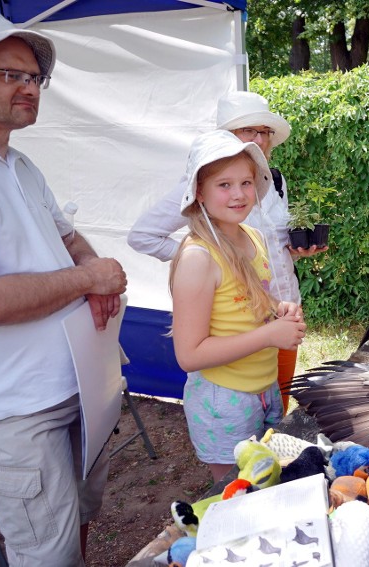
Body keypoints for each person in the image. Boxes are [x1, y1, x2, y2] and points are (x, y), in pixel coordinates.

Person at [0, 8, 127, 565]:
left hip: (79, 381)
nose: (29, 89)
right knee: (46, 554)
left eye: (35, 78)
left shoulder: (18, 163)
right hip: (18, 409)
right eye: (11, 75)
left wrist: (93, 274)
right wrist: (90, 278)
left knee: (81, 522)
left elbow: (67, 235)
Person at [128, 91, 323, 414]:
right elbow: (144, 235)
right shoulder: (204, 181)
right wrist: (216, 263)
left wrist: (296, 252)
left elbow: (270, 244)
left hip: (282, 309)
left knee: (275, 410)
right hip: (235, 326)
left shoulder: (272, 180)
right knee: (243, 430)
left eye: (264, 132)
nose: (259, 139)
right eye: (248, 131)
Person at [169, 129, 306, 483]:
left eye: (246, 182)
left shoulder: (254, 237)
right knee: (237, 492)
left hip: (265, 388)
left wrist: (280, 309)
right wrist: (268, 337)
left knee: (271, 481)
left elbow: (251, 301)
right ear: (199, 191)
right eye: (224, 185)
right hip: (224, 402)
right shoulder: (199, 257)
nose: (239, 194)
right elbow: (190, 354)